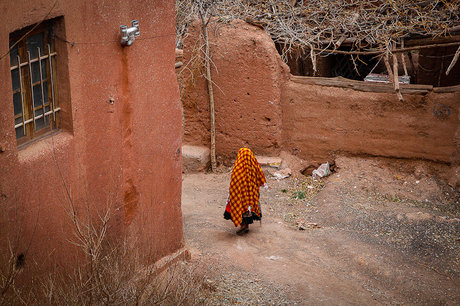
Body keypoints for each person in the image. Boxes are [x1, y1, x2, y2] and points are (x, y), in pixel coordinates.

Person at [224, 148, 268, 235]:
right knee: (248, 208)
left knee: (240, 207)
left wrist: (233, 193)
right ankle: (246, 224)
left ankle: (243, 225)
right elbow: (261, 177)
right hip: (251, 196)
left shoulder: (238, 169)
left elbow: (234, 183)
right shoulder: (254, 167)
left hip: (241, 195)